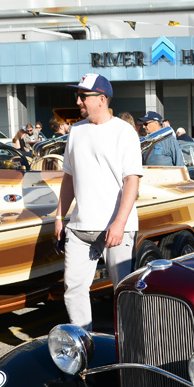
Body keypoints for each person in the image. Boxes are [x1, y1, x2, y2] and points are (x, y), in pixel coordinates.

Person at [54, 73, 143, 329]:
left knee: (123, 291)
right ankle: (84, 345)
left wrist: (119, 223)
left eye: (83, 96)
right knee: (73, 288)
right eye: (78, 96)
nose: (79, 102)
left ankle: (131, 344)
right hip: (80, 227)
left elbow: (131, 181)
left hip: (116, 227)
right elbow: (68, 178)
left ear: (102, 99)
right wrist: (60, 216)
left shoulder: (124, 132)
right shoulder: (76, 131)